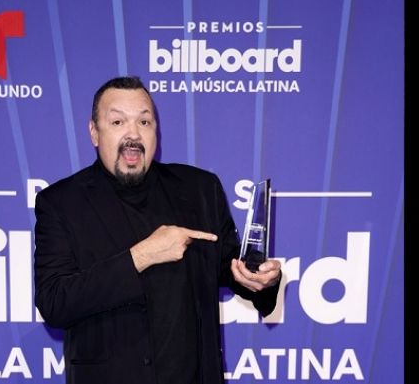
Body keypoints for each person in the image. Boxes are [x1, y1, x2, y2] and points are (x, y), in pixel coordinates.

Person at [33, 76, 282, 384]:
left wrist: (259, 278)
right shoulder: (62, 203)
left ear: (156, 132)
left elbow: (231, 266)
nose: (133, 134)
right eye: (117, 122)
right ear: (94, 132)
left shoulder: (200, 189)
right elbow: (55, 303)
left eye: (145, 122)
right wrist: (141, 256)